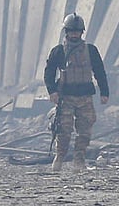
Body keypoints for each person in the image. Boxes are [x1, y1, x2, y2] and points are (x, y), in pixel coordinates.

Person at [44, 13, 110, 171]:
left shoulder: (91, 51)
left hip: (85, 97)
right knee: (64, 130)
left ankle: (79, 160)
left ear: (82, 32)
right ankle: (59, 157)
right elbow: (49, 73)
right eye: (72, 31)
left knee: (85, 130)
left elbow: (100, 72)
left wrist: (104, 92)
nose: (74, 34)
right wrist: (52, 91)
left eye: (77, 31)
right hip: (65, 97)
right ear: (66, 32)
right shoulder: (58, 51)